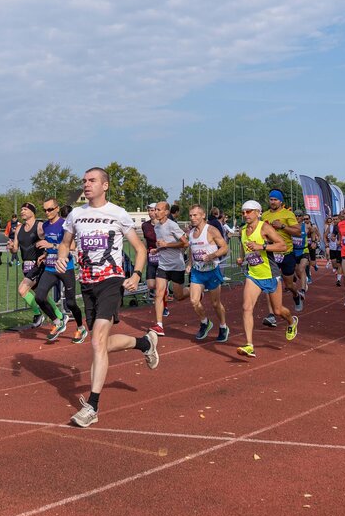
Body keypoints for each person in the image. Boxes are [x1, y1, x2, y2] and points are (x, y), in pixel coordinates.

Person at [57, 167, 157, 428]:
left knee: (98, 341)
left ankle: (92, 406)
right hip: (87, 284)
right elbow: (65, 243)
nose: (86, 185)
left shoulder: (118, 214)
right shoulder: (76, 215)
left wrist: (135, 274)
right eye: (84, 181)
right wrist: (61, 256)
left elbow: (139, 248)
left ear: (105, 186)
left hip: (111, 281)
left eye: (92, 181)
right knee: (99, 344)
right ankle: (144, 343)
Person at [236, 200, 298, 358]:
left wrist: (261, 247)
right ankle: (249, 345)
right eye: (243, 212)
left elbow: (282, 245)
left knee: (278, 311)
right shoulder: (243, 230)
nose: (245, 215)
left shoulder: (265, 227)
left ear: (258, 212)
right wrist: (241, 258)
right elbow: (245, 247)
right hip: (254, 275)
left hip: (270, 274)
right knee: (246, 308)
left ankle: (291, 322)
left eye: (249, 211)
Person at [34, 198, 87, 344]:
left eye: (50, 209)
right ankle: (57, 321)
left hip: (65, 267)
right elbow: (51, 246)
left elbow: (72, 246)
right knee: (39, 297)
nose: (47, 212)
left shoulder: (64, 225)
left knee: (70, 303)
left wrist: (51, 244)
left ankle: (81, 327)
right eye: (45, 210)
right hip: (50, 268)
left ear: (57, 209)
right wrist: (45, 254)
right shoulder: (45, 225)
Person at [9, 202, 60, 329]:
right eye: (21, 209)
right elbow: (15, 249)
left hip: (38, 265)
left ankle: (38, 314)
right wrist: (11, 248)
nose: (22, 212)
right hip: (25, 266)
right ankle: (59, 316)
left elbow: (52, 239)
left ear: (33, 212)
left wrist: (48, 252)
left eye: (25, 209)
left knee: (22, 290)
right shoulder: (19, 229)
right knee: (41, 295)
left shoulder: (40, 226)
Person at [186, 204, 230, 342]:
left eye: (195, 215)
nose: (193, 218)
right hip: (198, 272)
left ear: (203, 215)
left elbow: (224, 248)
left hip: (212, 271)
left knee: (216, 303)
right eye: (191, 215)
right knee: (194, 301)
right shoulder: (191, 233)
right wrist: (189, 263)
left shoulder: (211, 230)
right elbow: (191, 249)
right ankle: (205, 322)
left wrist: (211, 256)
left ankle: (223, 326)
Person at [261, 190, 302, 323]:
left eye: (275, 200)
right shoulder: (265, 215)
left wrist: (282, 226)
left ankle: (296, 295)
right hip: (271, 253)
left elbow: (297, 232)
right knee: (270, 283)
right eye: (271, 199)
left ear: (281, 201)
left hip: (286, 253)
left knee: (289, 284)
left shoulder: (288, 214)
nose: (273, 202)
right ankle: (271, 314)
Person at [150, 201, 188, 335]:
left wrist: (167, 244)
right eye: (155, 209)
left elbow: (185, 243)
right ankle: (159, 325)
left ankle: (195, 291)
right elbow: (163, 244)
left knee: (179, 296)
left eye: (159, 209)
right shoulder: (156, 227)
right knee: (159, 293)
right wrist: (157, 249)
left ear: (166, 212)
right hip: (163, 265)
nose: (156, 212)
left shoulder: (173, 225)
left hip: (177, 265)